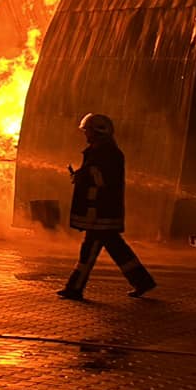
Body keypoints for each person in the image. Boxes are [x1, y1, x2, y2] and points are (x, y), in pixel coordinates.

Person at [58, 112, 156, 300]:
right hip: (100, 211)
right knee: (117, 249)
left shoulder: (108, 153)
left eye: (88, 131)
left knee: (90, 250)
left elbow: (104, 180)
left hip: (100, 211)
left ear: (98, 131)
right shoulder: (99, 150)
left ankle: (75, 288)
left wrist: (83, 176)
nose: (85, 134)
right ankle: (142, 281)